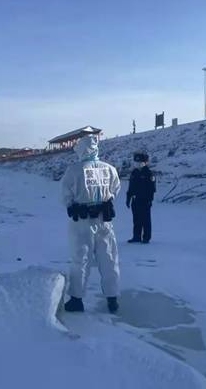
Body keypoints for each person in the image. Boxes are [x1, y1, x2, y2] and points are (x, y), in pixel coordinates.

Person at [60, 134, 121, 314]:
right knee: (109, 258)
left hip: (82, 222)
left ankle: (76, 300)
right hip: (104, 220)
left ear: (81, 150)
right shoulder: (109, 169)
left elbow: (65, 194)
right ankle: (112, 299)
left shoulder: (74, 170)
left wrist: (72, 205)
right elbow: (116, 189)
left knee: (80, 259)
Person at [126, 152, 156, 244]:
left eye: (140, 162)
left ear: (145, 162)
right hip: (135, 200)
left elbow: (152, 189)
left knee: (145, 220)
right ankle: (136, 236)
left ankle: (146, 237)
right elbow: (131, 187)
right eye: (136, 162)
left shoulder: (148, 173)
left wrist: (149, 200)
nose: (138, 164)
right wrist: (128, 198)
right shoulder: (134, 172)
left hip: (145, 200)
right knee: (136, 219)